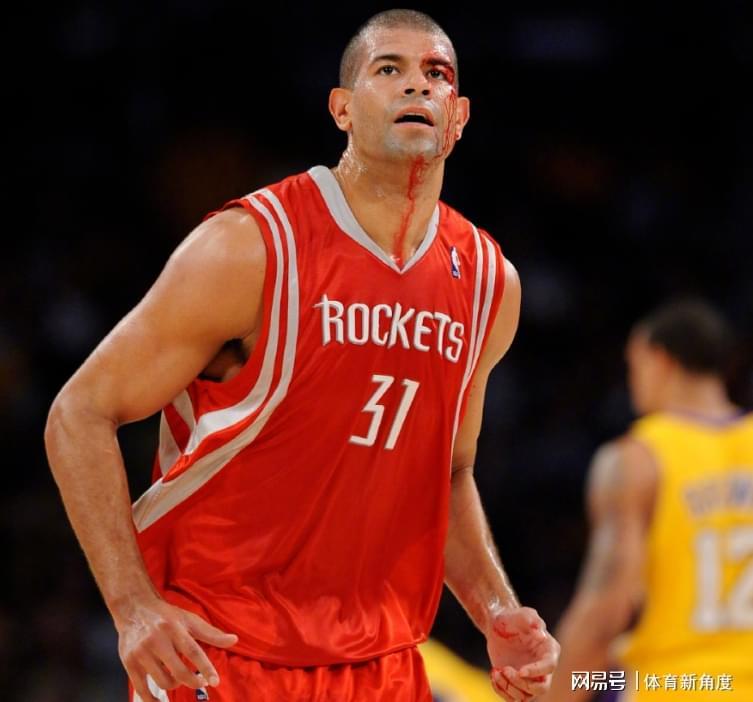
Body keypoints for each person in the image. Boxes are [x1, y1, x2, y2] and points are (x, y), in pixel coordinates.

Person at [44, 9, 558, 702]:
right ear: (342, 108)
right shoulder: (252, 245)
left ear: (459, 117)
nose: (418, 86)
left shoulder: (489, 282)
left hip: (378, 662)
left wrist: (495, 610)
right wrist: (131, 606)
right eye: (389, 69)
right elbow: (78, 413)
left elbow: (446, 470)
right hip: (220, 647)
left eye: (436, 74)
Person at [540, 299, 753, 702]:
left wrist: (558, 693)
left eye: (632, 367)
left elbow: (605, 612)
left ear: (659, 359)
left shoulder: (637, 459)